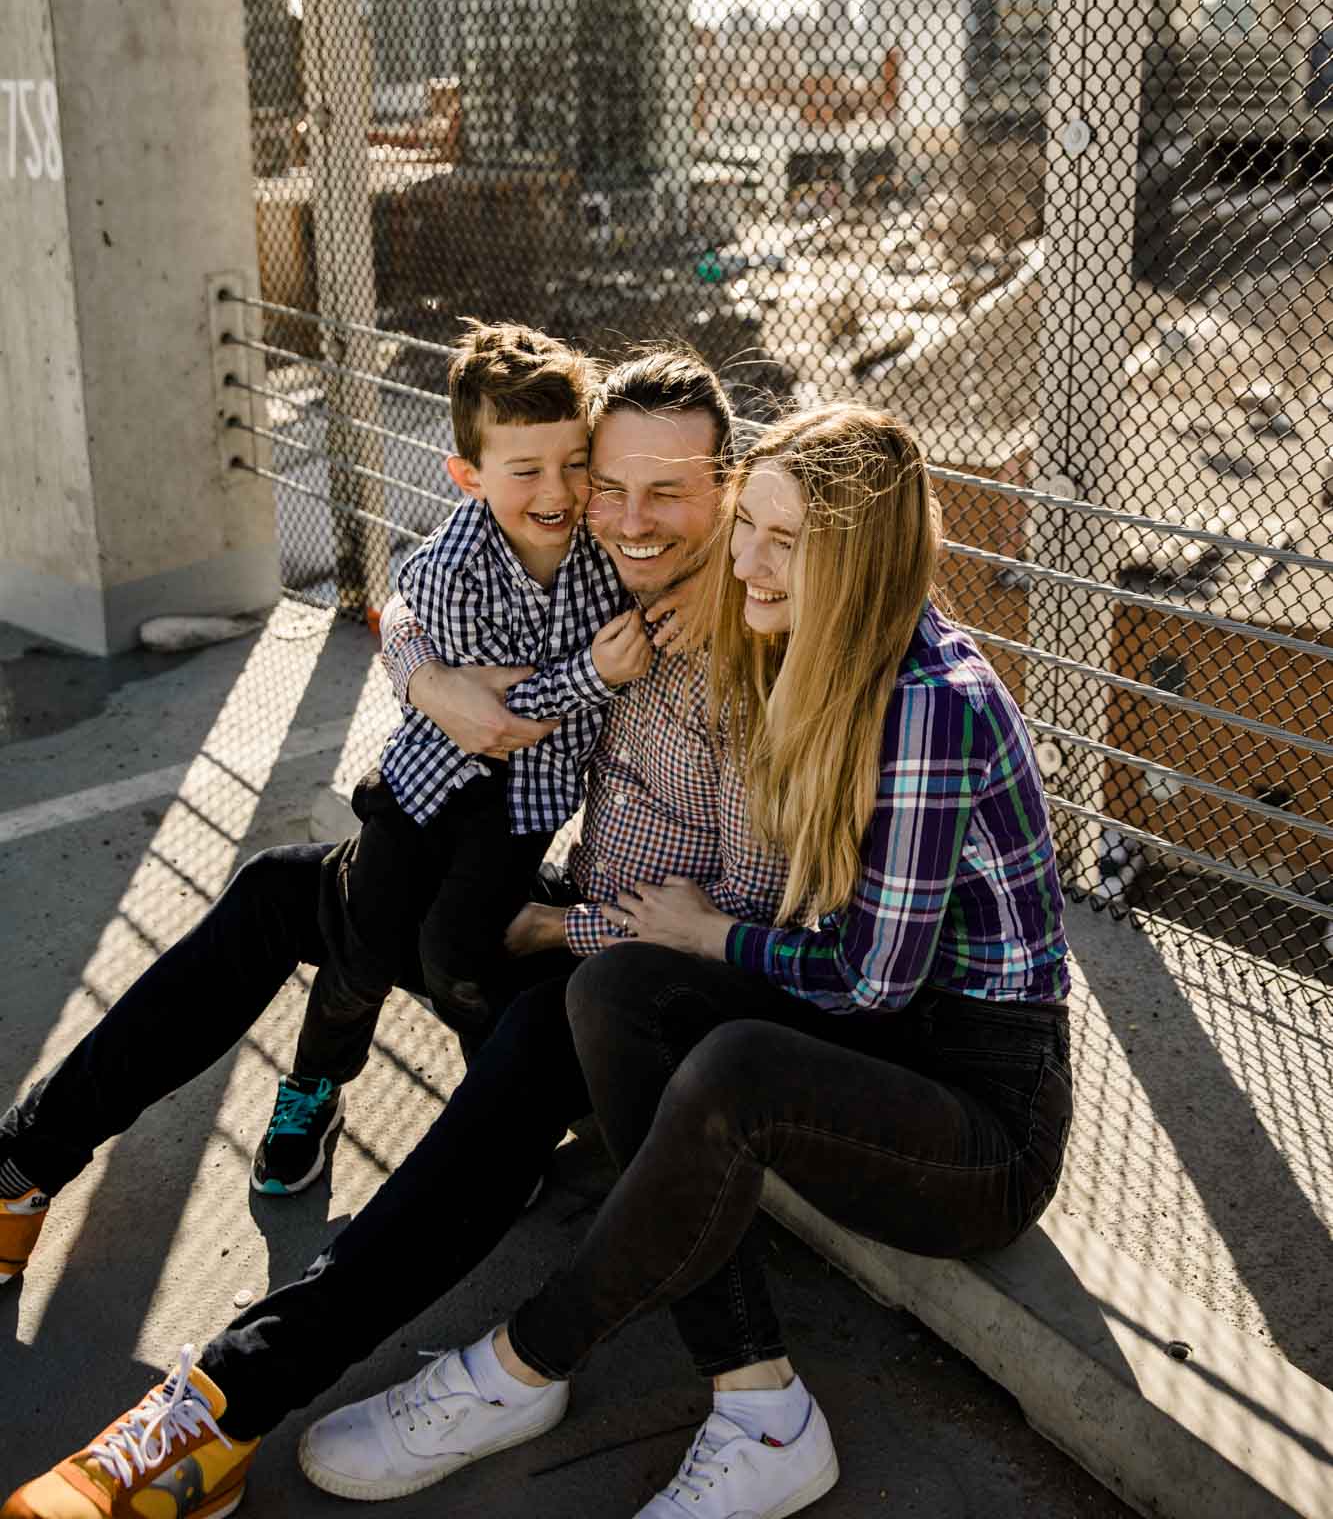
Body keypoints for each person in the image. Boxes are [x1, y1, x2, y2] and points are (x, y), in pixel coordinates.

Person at [1, 353, 790, 1519]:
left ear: (725, 489)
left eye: (662, 493)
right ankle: (22, 1168)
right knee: (284, 890)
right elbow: (429, 579)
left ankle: (219, 1410)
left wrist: (554, 919)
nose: (616, 516)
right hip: (531, 883)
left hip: (622, 976)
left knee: (489, 1080)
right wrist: (424, 674)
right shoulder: (599, 556)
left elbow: (738, 917)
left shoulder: (754, 656)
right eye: (603, 482)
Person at [285, 403, 1074, 1519]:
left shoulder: (927, 704)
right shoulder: (817, 645)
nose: (745, 558)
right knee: (611, 989)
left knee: (734, 1067)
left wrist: (709, 934)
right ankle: (761, 1406)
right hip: (877, 1042)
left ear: (858, 555)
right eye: (747, 521)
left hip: (978, 1120)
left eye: (783, 541)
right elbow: (469, 580)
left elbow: (868, 980)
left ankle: (518, 1367)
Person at [249, 318, 651, 1196]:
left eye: (574, 462)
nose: (557, 489)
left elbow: (528, 699)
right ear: (468, 475)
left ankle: (497, 1113)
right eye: (525, 470)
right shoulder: (448, 569)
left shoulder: (605, 557)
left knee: (462, 961)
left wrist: (552, 679)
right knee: (362, 952)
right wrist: (590, 671)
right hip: (429, 792)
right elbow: (494, 721)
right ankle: (312, 1087)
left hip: (520, 813)